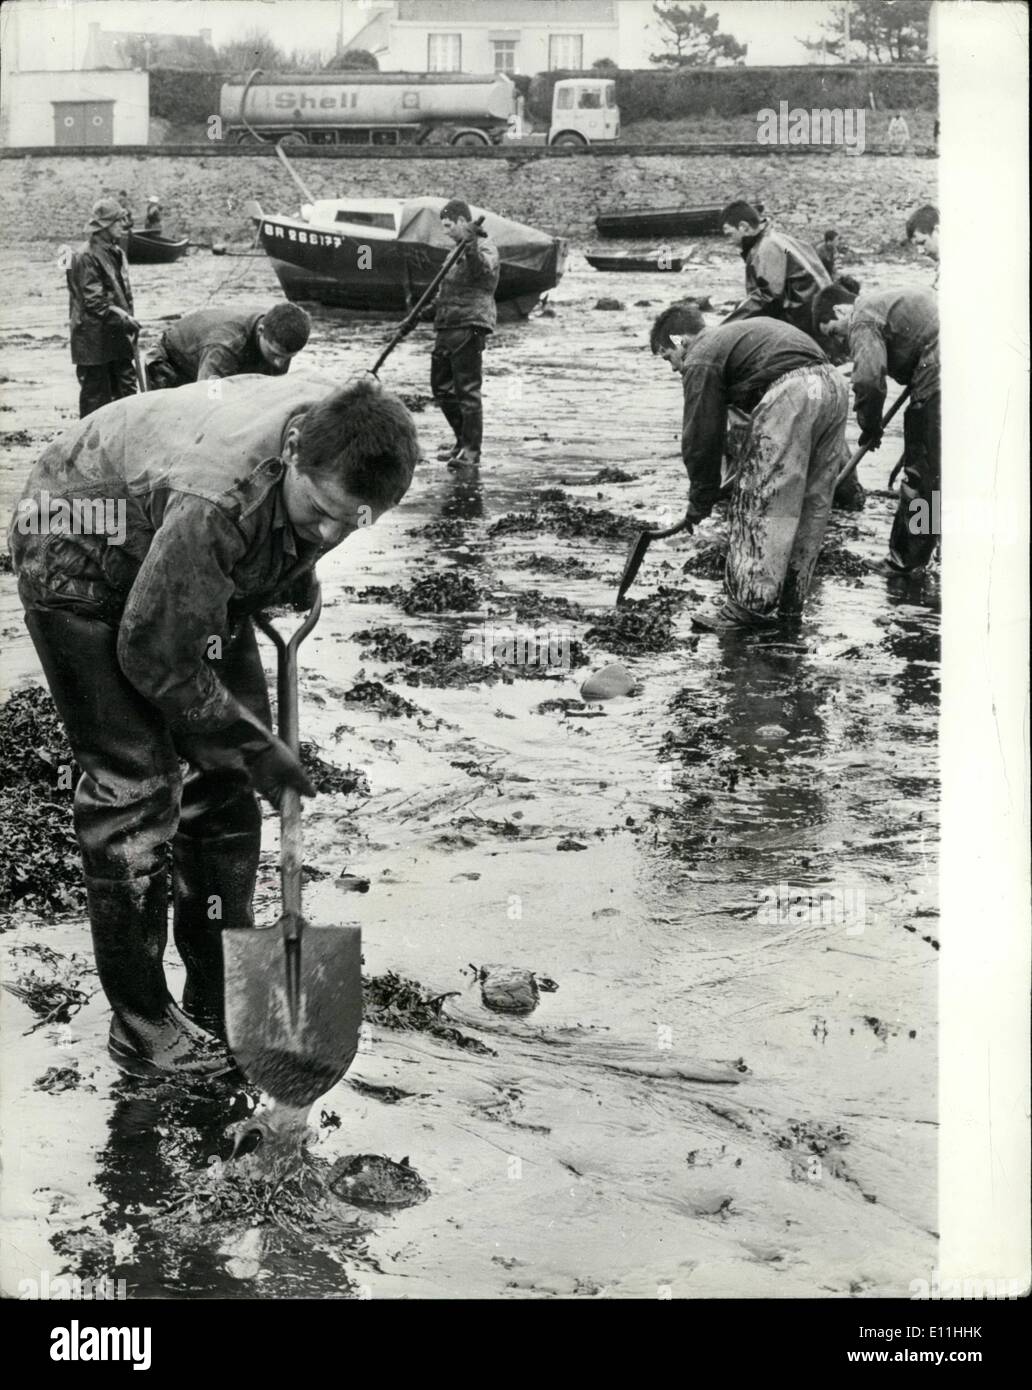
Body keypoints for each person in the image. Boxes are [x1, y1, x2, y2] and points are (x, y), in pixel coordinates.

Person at [9, 373, 420, 1080]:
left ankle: (212, 992)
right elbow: (155, 652)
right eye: (317, 511)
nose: (327, 532)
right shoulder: (217, 502)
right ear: (293, 452)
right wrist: (247, 739)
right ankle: (142, 1026)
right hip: (77, 545)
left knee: (227, 782)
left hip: (179, 551)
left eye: (348, 523)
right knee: (134, 787)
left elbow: (297, 521)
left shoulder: (338, 436)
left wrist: (292, 558)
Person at [650, 302, 849, 633]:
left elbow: (701, 435)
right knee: (811, 503)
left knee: (759, 502)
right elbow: (741, 431)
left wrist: (700, 499)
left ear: (680, 340)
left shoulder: (700, 355)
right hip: (832, 385)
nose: (672, 367)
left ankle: (746, 609)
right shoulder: (736, 340)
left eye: (667, 355)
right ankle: (790, 606)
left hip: (792, 391)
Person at [814, 283, 940, 573]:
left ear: (840, 310)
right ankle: (926, 555)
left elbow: (869, 379)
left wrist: (869, 426)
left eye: (834, 331)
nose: (841, 341)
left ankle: (906, 564)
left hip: (939, 377)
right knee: (936, 475)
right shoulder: (885, 303)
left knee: (922, 479)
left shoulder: (862, 316)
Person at [427, 198, 500, 468]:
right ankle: (461, 441)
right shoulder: (454, 252)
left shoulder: (484, 246)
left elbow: (480, 272)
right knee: (441, 388)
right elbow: (446, 292)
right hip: (446, 324)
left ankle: (472, 451)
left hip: (470, 324)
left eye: (448, 225)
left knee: (467, 390)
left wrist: (470, 244)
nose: (445, 230)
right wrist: (423, 312)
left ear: (461, 221)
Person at [67, 196, 138, 419]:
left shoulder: (115, 252)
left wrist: (125, 319)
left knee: (126, 395)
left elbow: (120, 294)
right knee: (95, 402)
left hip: (116, 336)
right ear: (105, 227)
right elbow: (94, 302)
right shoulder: (85, 256)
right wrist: (124, 316)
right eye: (117, 222)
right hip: (93, 341)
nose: (122, 226)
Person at [719, 200, 831, 339]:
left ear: (744, 227)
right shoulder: (779, 239)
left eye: (729, 234)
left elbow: (766, 296)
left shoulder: (767, 247)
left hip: (806, 323)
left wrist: (725, 328)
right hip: (820, 314)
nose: (729, 241)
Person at [145, 304, 311, 389]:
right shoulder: (226, 346)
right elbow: (209, 396)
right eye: (275, 354)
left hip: (216, 356)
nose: (279, 364)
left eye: (288, 358)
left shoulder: (280, 337)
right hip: (171, 362)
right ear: (261, 331)